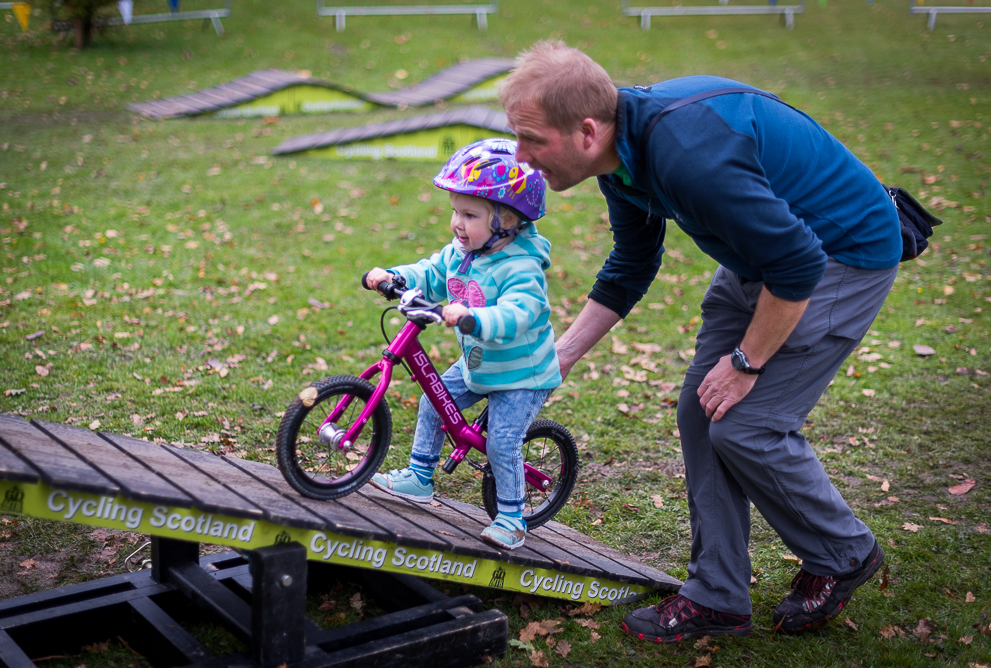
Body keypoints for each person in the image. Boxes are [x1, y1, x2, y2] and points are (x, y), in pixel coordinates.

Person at [499, 40, 896, 641]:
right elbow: (632, 264)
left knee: (745, 424)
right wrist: (558, 358)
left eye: (532, 139)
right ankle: (718, 595)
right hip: (761, 255)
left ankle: (844, 553)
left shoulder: (688, 155)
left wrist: (746, 361)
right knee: (699, 411)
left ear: (584, 130)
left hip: (839, 255)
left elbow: (797, 265)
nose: (520, 155)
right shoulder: (619, 152)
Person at [365, 138, 560, 551]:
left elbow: (520, 311)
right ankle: (420, 477)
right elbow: (432, 273)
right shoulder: (462, 252)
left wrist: (476, 318)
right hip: (480, 364)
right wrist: (395, 276)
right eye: (455, 211)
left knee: (502, 442)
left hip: (523, 374)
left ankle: (511, 517)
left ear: (507, 220)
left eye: (469, 214)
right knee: (432, 401)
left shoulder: (522, 266)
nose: (457, 223)